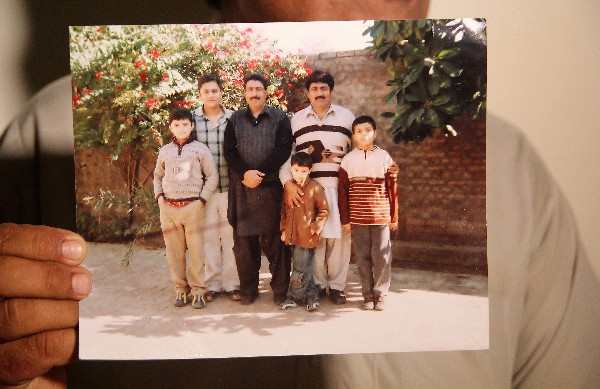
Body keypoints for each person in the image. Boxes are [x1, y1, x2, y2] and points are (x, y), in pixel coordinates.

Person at [1, 1, 599, 387]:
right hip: (254, 200)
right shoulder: (46, 133)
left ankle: (344, 294)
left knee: (342, 256)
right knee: (259, 254)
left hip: (336, 201)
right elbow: (256, 158)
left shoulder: (513, 167)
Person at [280, 70, 355, 305]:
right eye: (315, 89)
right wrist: (288, 184)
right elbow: (287, 156)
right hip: (309, 190)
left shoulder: (346, 117)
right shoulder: (297, 120)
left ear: (331, 92)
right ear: (308, 93)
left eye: (324, 89)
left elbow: (360, 148)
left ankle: (338, 286)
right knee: (316, 237)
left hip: (338, 187)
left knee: (340, 239)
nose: (319, 93)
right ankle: (319, 285)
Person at [223, 73, 293, 305]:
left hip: (270, 190)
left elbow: (283, 150)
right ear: (245, 93)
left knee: (276, 245)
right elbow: (229, 152)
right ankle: (248, 291)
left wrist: (259, 174)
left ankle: (281, 292)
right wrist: (245, 174)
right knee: (244, 246)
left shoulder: (279, 118)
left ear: (265, 92)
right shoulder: (234, 120)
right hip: (243, 189)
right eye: (250, 89)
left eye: (258, 89)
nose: (254, 93)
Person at [153, 107, 218, 309]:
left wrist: (201, 200)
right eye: (176, 125)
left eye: (185, 124)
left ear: (191, 126)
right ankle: (180, 290)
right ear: (170, 127)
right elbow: (157, 176)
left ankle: (199, 291)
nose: (181, 128)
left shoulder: (200, 149)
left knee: (197, 251)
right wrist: (160, 198)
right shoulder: (165, 151)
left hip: (193, 207)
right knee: (174, 252)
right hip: (169, 208)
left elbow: (212, 176)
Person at [338, 115, 398, 311]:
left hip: (381, 216)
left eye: (368, 130)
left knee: (382, 256)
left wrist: (394, 216)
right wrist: (345, 220)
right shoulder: (348, 160)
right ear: (353, 136)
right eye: (359, 131)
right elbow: (343, 192)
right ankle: (367, 296)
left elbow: (392, 188)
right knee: (362, 256)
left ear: (375, 133)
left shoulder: (384, 157)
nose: (364, 135)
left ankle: (380, 294)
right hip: (357, 218)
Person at [192, 74, 241, 303]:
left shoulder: (233, 118)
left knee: (231, 237)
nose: (210, 95)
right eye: (206, 92)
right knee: (209, 238)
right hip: (204, 191)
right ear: (200, 94)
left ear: (221, 92)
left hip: (231, 187)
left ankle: (232, 284)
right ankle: (211, 283)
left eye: (214, 91)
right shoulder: (192, 120)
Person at [280, 152, 329, 311]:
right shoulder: (289, 188)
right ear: (291, 169)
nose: (298, 174)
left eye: (303, 171)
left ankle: (293, 297)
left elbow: (324, 210)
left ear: (309, 170)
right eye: (295, 170)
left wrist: (315, 228)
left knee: (300, 268)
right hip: (293, 235)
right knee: (305, 269)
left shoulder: (315, 187)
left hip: (308, 236)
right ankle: (312, 296)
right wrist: (284, 229)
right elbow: (284, 211)